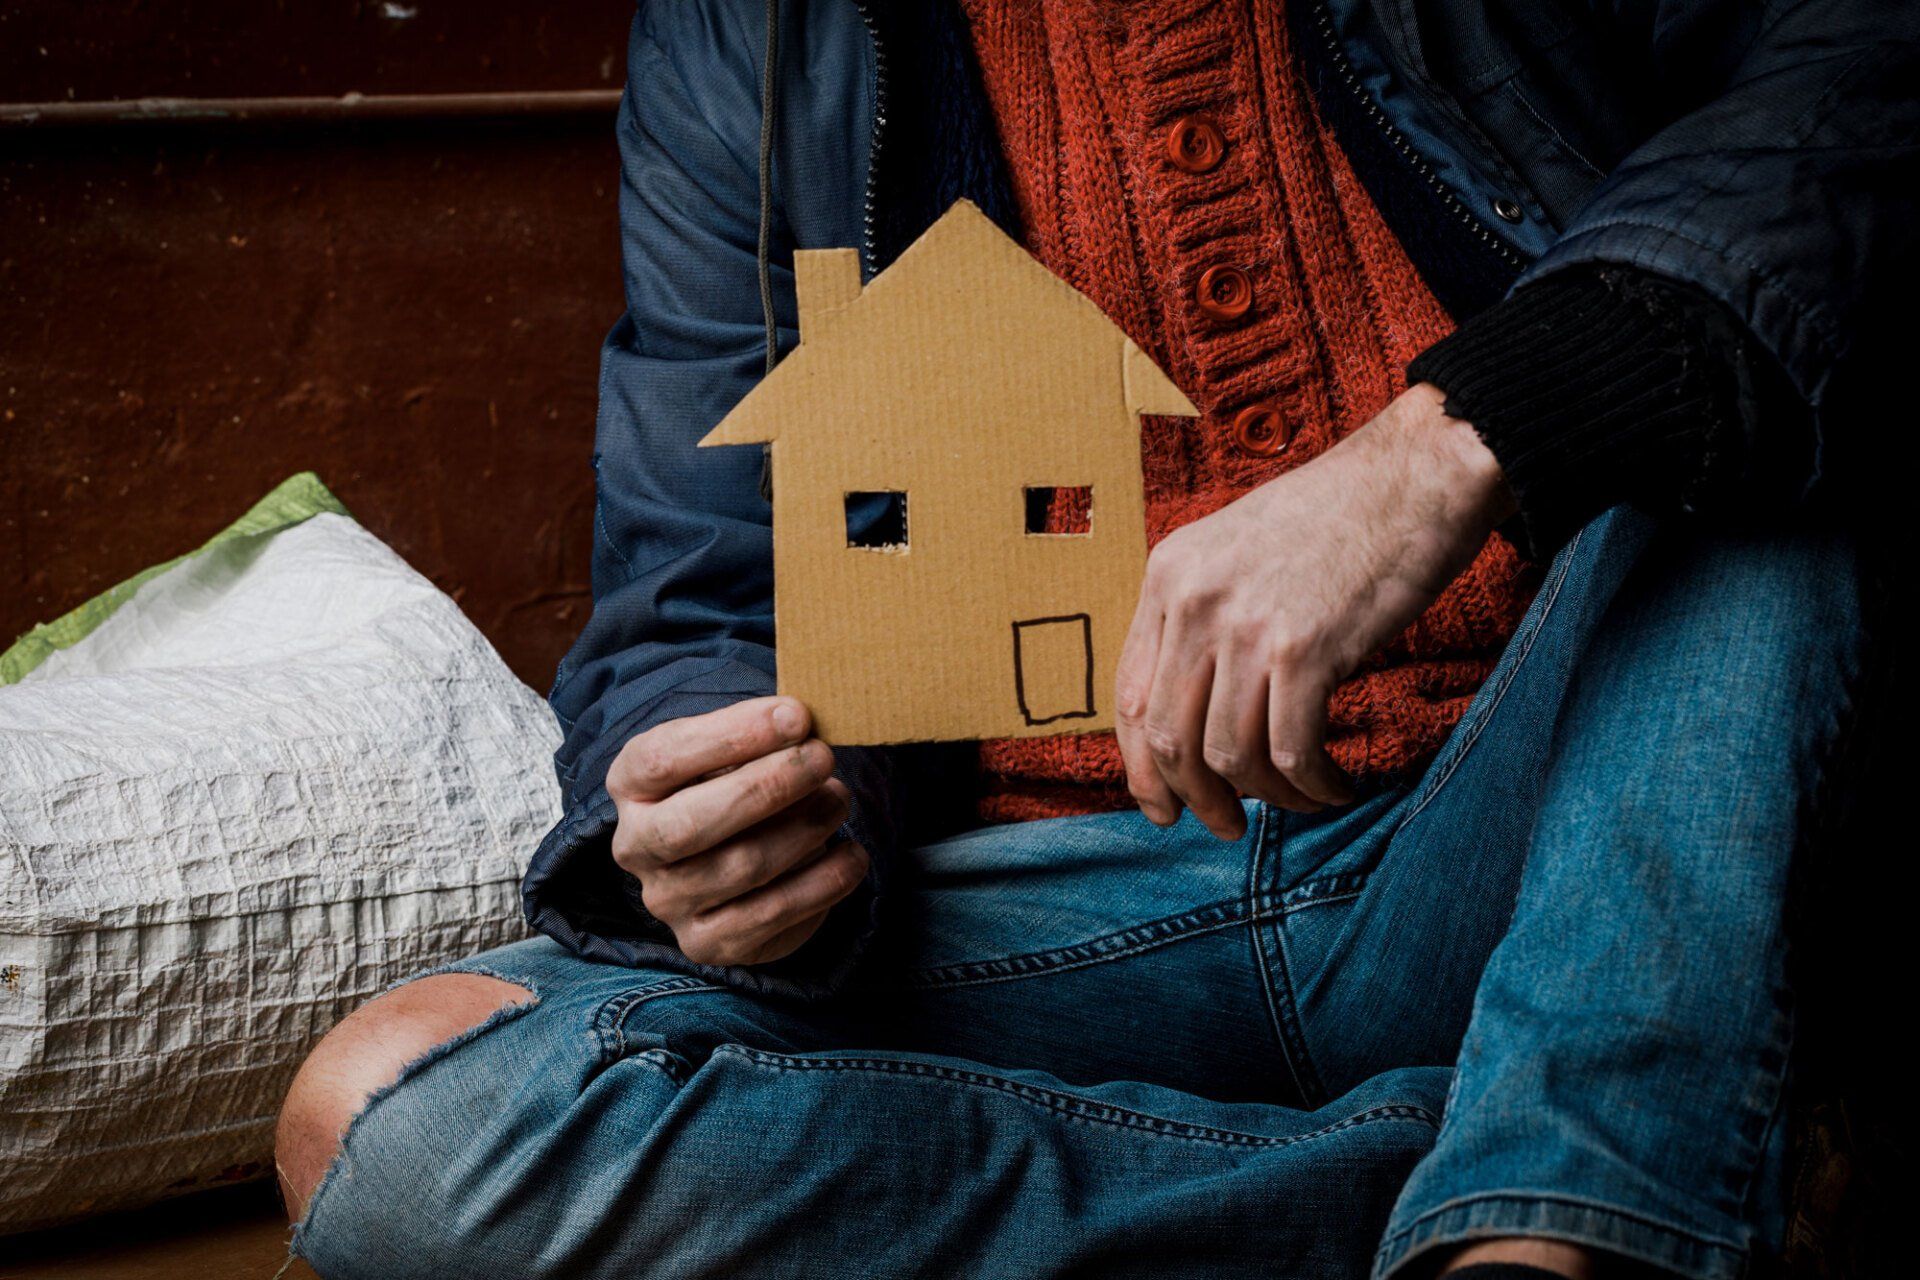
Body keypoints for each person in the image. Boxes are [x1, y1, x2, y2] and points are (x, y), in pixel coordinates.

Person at [275, 2, 1912, 1277]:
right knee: (397, 1123)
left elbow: (1855, 94)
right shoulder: (751, 30)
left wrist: (1450, 445)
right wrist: (718, 804)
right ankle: (1553, 1179)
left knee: (1763, 434)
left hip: (1558, 836)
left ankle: (1557, 1221)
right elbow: (699, 577)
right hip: (1055, 911)